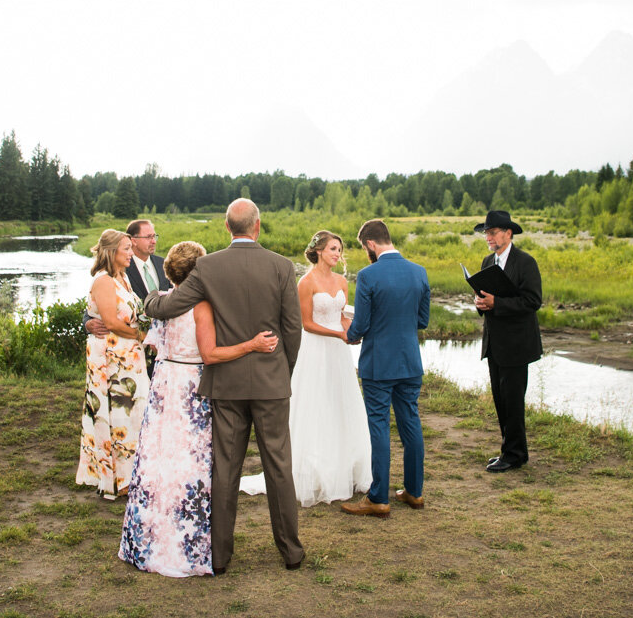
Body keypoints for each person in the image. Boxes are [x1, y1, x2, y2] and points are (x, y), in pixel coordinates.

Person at [143, 199, 305, 574]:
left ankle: (219, 556)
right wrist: (283, 369)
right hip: (271, 383)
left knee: (226, 469)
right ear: (258, 226)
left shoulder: (208, 266)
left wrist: (150, 296)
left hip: (226, 385)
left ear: (227, 228)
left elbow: (167, 306)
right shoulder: (282, 266)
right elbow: (292, 329)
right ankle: (291, 552)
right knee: (279, 467)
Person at [118, 241, 278, 577]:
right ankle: (185, 544)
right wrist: (252, 344)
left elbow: (154, 339)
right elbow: (210, 355)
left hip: (163, 385)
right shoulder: (201, 307)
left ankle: (149, 538)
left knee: (158, 459)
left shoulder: (161, 300)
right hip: (192, 387)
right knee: (192, 462)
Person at [240, 230, 371, 505]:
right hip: (316, 350)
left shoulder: (342, 282)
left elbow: (344, 317)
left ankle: (344, 466)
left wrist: (352, 332)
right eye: (333, 249)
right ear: (320, 251)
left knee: (340, 403)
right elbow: (307, 323)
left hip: (338, 353)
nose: (338, 254)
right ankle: (312, 470)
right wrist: (337, 334)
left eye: (340, 250)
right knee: (316, 404)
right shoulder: (306, 282)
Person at [341, 218, 430, 518]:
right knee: (410, 424)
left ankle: (379, 497)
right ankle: (414, 492)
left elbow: (361, 325)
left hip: (378, 364)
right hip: (409, 361)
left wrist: (351, 335)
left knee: (378, 426)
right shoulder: (419, 272)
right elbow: (422, 320)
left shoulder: (368, 275)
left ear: (370, 244)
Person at [76, 228, 151, 497]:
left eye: (131, 248)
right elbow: (110, 322)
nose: (132, 254)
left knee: (133, 415)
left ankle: (130, 474)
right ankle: (116, 480)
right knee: (117, 415)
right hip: (111, 358)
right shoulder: (104, 280)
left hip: (128, 356)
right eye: (126, 249)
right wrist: (142, 335)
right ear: (112, 252)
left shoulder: (122, 279)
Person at [472, 210, 542, 473]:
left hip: (517, 343)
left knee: (513, 400)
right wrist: (480, 302)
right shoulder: (487, 261)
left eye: (492, 232)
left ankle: (513, 454)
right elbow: (485, 297)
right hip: (494, 343)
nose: (488, 237)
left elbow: (533, 301)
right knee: (500, 399)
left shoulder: (525, 263)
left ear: (508, 233)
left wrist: (496, 303)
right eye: (486, 233)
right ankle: (512, 451)